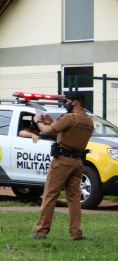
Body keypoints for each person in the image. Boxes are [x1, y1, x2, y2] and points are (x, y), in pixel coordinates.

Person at [31, 91, 94, 240]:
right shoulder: (88, 121)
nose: (65, 103)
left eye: (67, 100)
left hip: (62, 161)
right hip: (78, 162)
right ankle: (76, 233)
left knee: (50, 196)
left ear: (74, 102)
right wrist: (53, 121)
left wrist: (38, 121)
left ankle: (41, 232)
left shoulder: (69, 117)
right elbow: (69, 130)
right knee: (74, 199)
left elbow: (46, 131)